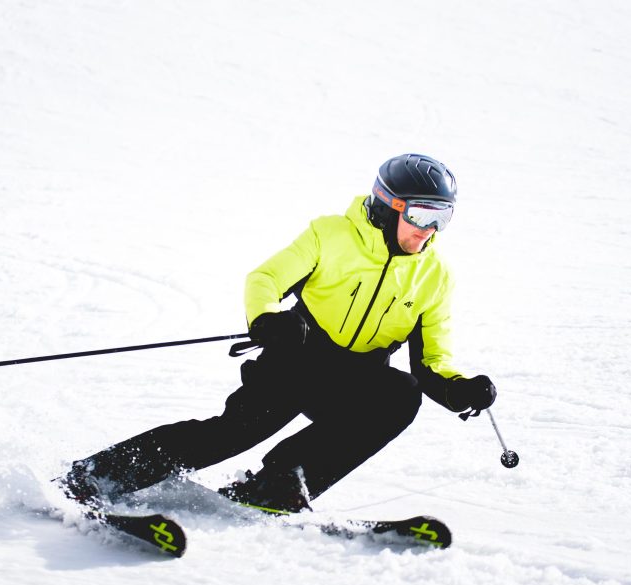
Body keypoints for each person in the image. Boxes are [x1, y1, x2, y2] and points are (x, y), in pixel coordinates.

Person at [58, 153, 497, 514]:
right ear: (387, 206)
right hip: (296, 360)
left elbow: (431, 360)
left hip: (354, 380)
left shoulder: (434, 275)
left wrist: (459, 389)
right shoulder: (331, 234)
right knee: (228, 436)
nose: (429, 230)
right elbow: (266, 279)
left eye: (443, 216)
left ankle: (280, 485)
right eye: (422, 214)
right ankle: (96, 475)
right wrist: (269, 319)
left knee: (401, 393)